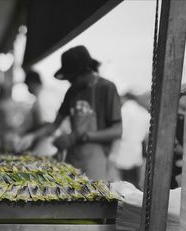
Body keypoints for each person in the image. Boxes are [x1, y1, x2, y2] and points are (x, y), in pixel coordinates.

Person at [17, 46, 122, 180]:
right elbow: (54, 125)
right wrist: (32, 136)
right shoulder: (72, 91)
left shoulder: (106, 88)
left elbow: (117, 131)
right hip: (73, 160)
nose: (69, 82)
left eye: (72, 78)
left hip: (96, 162)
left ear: (86, 71)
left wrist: (81, 136)